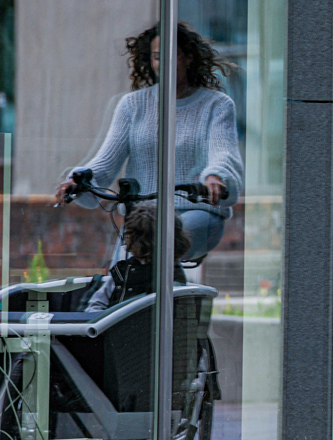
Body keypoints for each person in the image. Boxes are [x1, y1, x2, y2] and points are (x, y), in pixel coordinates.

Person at [57, 23, 243, 263]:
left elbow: (223, 152)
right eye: (157, 56)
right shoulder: (132, 105)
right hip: (144, 219)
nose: (163, 62)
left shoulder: (216, 104)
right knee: (120, 279)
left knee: (156, 245)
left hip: (197, 213)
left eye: (172, 55)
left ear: (188, 58)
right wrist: (79, 181)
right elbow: (105, 161)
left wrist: (215, 177)